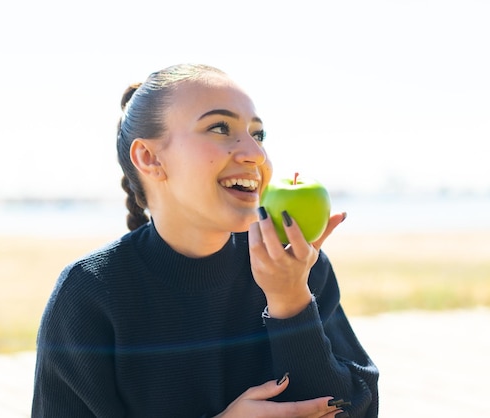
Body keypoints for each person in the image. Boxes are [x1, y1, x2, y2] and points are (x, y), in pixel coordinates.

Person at [31, 63, 379, 417]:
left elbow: (356, 410)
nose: (255, 155)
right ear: (149, 158)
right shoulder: (90, 293)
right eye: (220, 128)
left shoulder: (295, 266)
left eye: (257, 135)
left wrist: (290, 302)